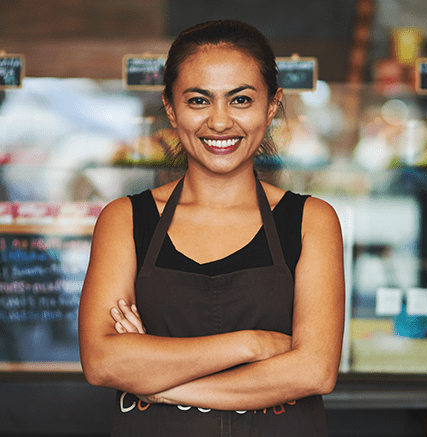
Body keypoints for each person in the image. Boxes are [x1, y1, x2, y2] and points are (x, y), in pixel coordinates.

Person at [78, 19, 345, 437]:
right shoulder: (125, 219)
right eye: (199, 100)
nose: (219, 122)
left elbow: (313, 372)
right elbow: (102, 363)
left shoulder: (312, 220)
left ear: (272, 105)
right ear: (170, 107)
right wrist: (254, 345)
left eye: (240, 100)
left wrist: (161, 385)